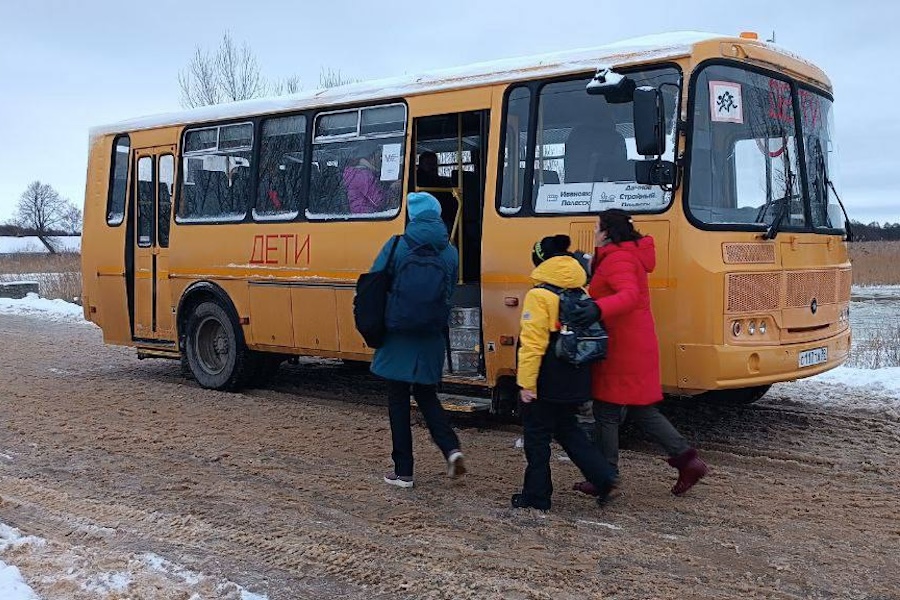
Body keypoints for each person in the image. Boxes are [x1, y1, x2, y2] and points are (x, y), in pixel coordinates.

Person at [570, 209, 708, 496]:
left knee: (607, 410)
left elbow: (628, 294)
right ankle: (686, 460)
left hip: (623, 346)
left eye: (597, 227)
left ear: (607, 231)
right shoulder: (624, 255)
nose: (594, 231)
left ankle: (606, 476)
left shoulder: (618, 257)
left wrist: (598, 307)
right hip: (633, 342)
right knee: (639, 408)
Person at [512, 234, 617, 511]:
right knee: (568, 430)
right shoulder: (581, 291)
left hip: (547, 378)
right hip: (576, 375)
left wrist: (526, 383)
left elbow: (532, 344)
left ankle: (536, 496)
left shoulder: (540, 295)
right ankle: (604, 477)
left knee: (536, 437)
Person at [369, 192, 465, 488]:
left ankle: (404, 471)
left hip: (398, 333)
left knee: (397, 400)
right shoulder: (450, 252)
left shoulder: (397, 245)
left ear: (412, 216)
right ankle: (451, 449)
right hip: (431, 336)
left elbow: (374, 281)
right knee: (426, 396)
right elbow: (449, 293)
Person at [344, 144, 393, 214]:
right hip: (366, 215)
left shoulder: (352, 173)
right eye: (379, 157)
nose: (380, 161)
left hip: (357, 214)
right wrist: (393, 190)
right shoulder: (363, 175)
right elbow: (378, 201)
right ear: (371, 157)